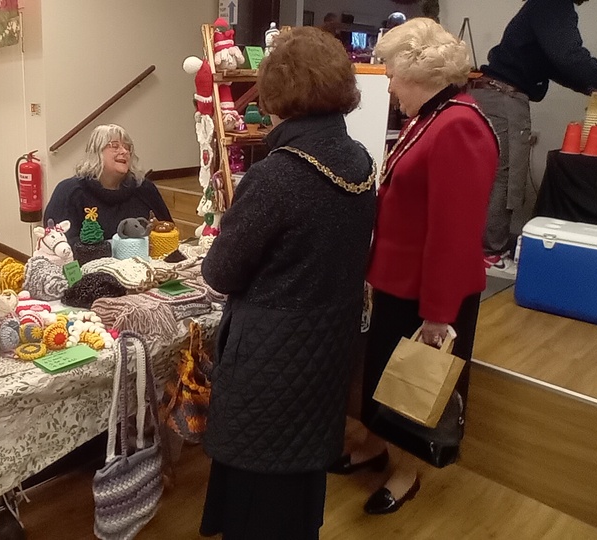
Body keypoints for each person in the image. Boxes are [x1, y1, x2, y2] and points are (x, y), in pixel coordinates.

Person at [199, 27, 377, 539]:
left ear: (278, 95)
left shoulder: (277, 175)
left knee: (258, 496)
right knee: (299, 480)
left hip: (272, 356)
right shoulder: (359, 160)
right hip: (327, 348)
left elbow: (219, 273)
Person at [334, 18, 498, 515]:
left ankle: (407, 472)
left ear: (418, 72)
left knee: (412, 390)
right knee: (384, 375)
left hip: (430, 293)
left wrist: (438, 315)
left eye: (392, 74)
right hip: (400, 282)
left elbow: (454, 233)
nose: (389, 85)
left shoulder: (459, 125)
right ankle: (376, 445)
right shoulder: (432, 116)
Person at [471, 0, 597, 275]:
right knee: (506, 179)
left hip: (492, 95)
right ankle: (488, 254)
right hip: (503, 99)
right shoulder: (554, 3)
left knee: (491, 175)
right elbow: (569, 56)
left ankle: (479, 249)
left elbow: (557, 64)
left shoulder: (545, 5)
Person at [42, 124, 171, 240]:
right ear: (96, 152)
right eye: (115, 146)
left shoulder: (144, 188)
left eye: (127, 147)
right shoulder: (69, 191)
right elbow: (56, 243)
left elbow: (168, 232)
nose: (124, 151)